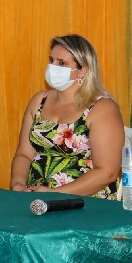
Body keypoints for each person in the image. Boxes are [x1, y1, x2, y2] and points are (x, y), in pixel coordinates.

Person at [10, 34, 124, 199]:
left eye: (61, 63)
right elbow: (24, 154)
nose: (52, 67)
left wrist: (55, 194)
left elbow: (107, 172)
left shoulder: (102, 109)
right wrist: (18, 184)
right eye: (51, 61)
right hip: (37, 197)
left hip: (87, 201)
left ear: (82, 70)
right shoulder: (39, 101)